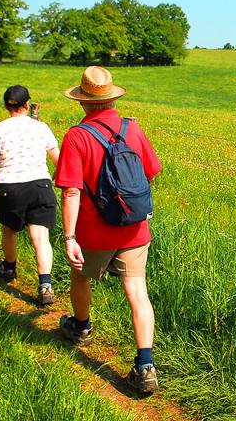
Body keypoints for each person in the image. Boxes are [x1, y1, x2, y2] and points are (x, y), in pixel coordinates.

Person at [55, 66, 162, 393]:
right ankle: (145, 366)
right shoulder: (133, 128)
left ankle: (81, 327)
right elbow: (151, 172)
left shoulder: (77, 136)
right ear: (111, 98)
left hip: (94, 231)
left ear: (84, 102)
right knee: (137, 292)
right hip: (133, 228)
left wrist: (70, 236)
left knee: (80, 276)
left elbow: (71, 190)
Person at [0, 85, 59, 305]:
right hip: (40, 185)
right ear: (28, 105)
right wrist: (59, 179)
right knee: (40, 237)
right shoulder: (41, 128)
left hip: (9, 188)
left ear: (6, 106)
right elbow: (59, 159)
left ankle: (9, 268)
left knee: (9, 230)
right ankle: (46, 284)